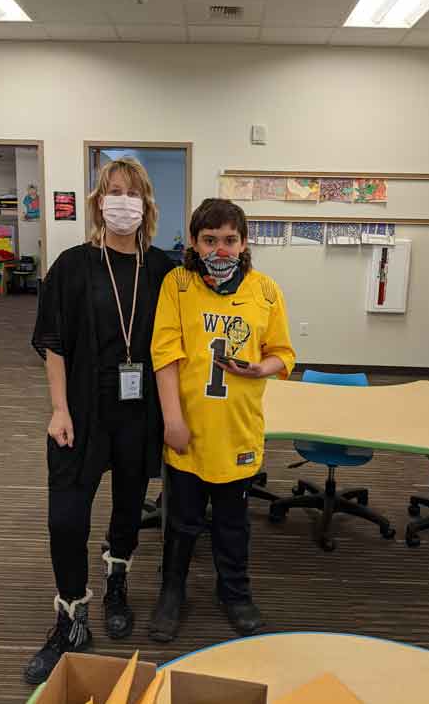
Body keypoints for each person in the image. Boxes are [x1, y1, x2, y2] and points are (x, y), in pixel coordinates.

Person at [24, 158, 174, 684]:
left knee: (129, 509)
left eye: (132, 194)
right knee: (66, 519)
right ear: (98, 202)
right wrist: (59, 408)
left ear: (146, 205)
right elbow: (53, 343)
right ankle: (70, 617)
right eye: (113, 192)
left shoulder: (164, 271)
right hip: (82, 411)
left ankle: (116, 585)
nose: (122, 203)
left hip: (140, 413)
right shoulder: (73, 265)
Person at [148, 198, 295, 642]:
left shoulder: (265, 290)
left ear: (244, 243)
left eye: (230, 240)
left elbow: (283, 353)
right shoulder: (178, 285)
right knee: (181, 522)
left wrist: (260, 368)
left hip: (238, 429)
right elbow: (164, 355)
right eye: (210, 240)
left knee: (233, 523)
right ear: (194, 242)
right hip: (190, 430)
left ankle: (234, 592)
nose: (221, 250)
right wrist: (172, 420)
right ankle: (172, 591)